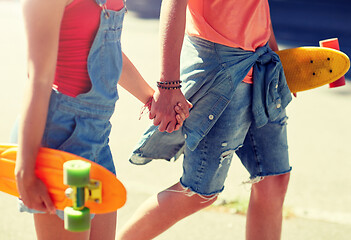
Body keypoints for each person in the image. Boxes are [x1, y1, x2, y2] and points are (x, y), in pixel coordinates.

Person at [118, 0, 293, 239]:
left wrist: (280, 58)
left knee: (274, 179)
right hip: (221, 69)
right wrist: (168, 84)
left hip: (263, 66)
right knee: (198, 191)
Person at [14, 0, 189, 239]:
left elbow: (109, 49)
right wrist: (25, 169)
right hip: (61, 139)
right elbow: (38, 81)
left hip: (98, 138)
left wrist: (152, 99)